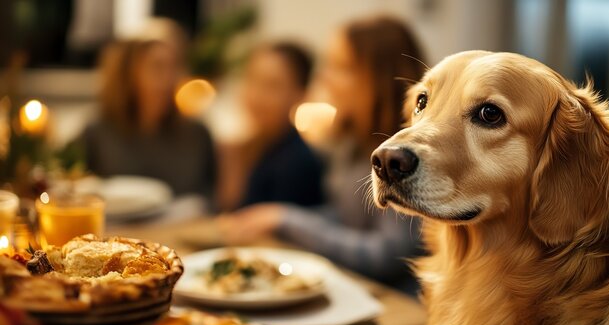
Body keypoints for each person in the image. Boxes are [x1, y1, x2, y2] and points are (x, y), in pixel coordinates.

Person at [224, 17, 427, 293]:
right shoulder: (353, 144)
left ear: (379, 78)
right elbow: (346, 218)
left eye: (341, 67)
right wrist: (281, 218)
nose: (324, 78)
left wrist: (287, 219)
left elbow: (386, 256)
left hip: (400, 305)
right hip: (357, 288)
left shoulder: (403, 156)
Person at [81, 38, 215, 198]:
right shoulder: (98, 131)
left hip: (184, 220)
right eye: (157, 67)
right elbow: (78, 188)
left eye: (174, 67)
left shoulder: (196, 133)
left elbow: (209, 197)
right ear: (129, 73)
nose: (168, 79)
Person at [214, 42, 324, 210]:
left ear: (300, 94)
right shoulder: (252, 147)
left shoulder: (297, 163)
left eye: (272, 86)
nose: (257, 95)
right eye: (252, 80)